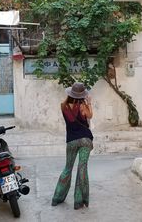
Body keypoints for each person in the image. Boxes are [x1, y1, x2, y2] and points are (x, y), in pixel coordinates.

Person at [51, 82, 94, 210]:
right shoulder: (83, 106)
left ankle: (57, 198)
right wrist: (89, 103)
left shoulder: (63, 106)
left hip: (71, 141)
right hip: (86, 140)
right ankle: (79, 201)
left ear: (70, 93)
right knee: (82, 168)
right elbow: (90, 116)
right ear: (82, 95)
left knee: (67, 168)